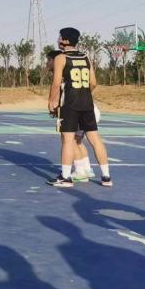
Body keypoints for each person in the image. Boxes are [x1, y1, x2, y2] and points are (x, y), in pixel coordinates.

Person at [47, 27, 112, 188]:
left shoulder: (61, 58)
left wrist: (51, 101)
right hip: (87, 103)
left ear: (65, 40)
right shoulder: (85, 57)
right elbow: (93, 83)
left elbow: (56, 83)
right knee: (95, 139)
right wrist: (83, 93)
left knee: (68, 140)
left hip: (70, 104)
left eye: (60, 37)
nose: (58, 39)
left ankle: (66, 178)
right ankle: (106, 177)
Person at [46, 49, 96, 182]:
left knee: (69, 139)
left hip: (77, 109)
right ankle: (86, 169)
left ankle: (79, 171)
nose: (47, 63)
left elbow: (60, 91)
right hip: (86, 108)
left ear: (55, 60)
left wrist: (52, 104)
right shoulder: (68, 70)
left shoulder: (62, 73)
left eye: (49, 60)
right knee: (77, 140)